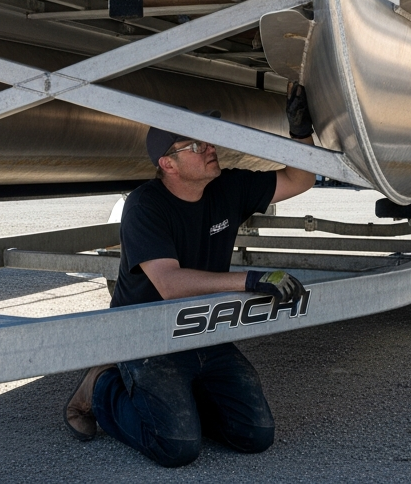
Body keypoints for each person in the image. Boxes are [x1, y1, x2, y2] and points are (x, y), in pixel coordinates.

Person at [63, 85, 318, 467]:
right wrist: (249, 280)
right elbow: (170, 284)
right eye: (196, 145)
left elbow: (300, 179)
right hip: (148, 336)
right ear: (168, 164)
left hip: (204, 329)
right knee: (176, 446)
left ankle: (181, 401)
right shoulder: (145, 206)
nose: (210, 147)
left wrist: (300, 132)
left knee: (255, 434)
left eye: (207, 139)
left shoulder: (228, 187)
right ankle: (99, 387)